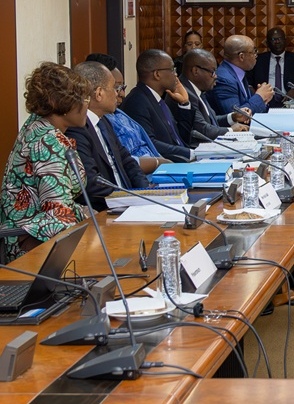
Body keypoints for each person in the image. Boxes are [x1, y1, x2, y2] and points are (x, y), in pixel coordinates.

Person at [0, 62, 90, 260]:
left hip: (31, 238)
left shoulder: (35, 124)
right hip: (34, 249)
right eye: (84, 98)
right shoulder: (48, 142)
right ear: (63, 104)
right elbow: (57, 215)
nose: (87, 104)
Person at [65, 62, 149, 210]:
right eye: (114, 88)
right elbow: (91, 183)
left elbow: (127, 160)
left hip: (129, 202)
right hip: (106, 209)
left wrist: (147, 193)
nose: (118, 94)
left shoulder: (103, 121)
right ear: (99, 94)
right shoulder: (76, 129)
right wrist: (128, 198)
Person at [85, 53, 169, 174]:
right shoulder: (98, 123)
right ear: (99, 92)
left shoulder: (117, 114)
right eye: (116, 88)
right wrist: (157, 163)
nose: (121, 94)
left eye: (122, 87)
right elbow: (122, 164)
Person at [121, 49, 196, 163]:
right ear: (157, 74)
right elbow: (149, 143)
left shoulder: (158, 99)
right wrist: (190, 153)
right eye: (172, 69)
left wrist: (184, 103)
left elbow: (180, 139)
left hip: (182, 162)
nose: (176, 75)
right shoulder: (137, 101)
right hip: (166, 166)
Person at [180, 49, 248, 147]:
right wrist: (231, 130)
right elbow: (203, 130)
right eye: (212, 72)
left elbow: (210, 121)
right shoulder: (184, 94)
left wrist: (233, 117)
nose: (216, 76)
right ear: (195, 71)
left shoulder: (197, 89)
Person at [207, 35, 274, 117]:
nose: (256, 55)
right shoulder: (224, 79)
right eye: (254, 51)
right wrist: (260, 97)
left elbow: (247, 104)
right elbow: (236, 115)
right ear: (241, 56)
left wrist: (264, 100)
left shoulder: (238, 73)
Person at [249, 27, 294, 108]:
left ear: (285, 40)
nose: (277, 41)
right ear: (267, 43)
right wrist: (255, 94)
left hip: (289, 102)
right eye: (273, 39)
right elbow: (247, 81)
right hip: (265, 102)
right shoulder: (258, 60)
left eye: (280, 38)